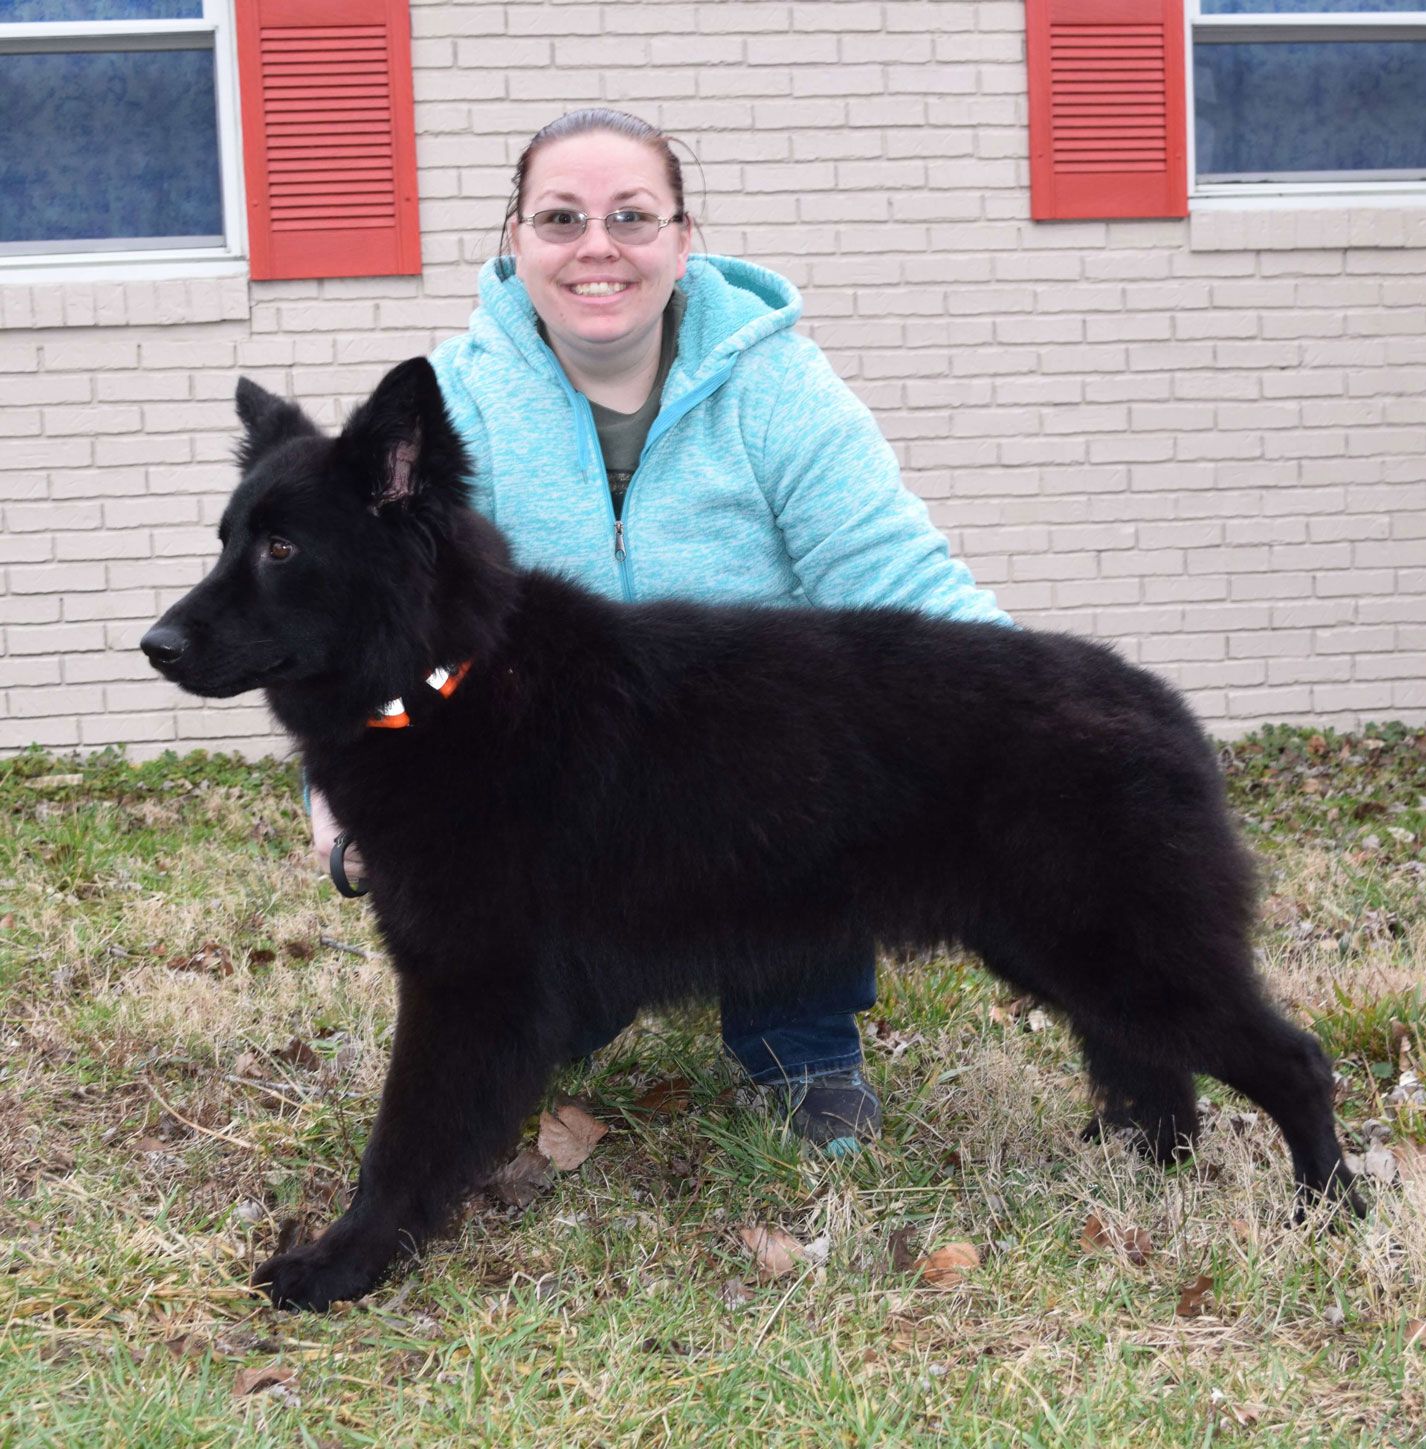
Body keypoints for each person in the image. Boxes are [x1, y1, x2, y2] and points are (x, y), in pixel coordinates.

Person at [310, 108, 1013, 1152]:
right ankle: (553, 1019)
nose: (598, 246)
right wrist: (339, 791)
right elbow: (368, 614)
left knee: (820, 749)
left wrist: (1038, 730)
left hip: (757, 783)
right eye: (562, 218)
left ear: (685, 239)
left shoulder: (778, 389)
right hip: (560, 786)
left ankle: (800, 1041)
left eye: (632, 217)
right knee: (516, 982)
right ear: (516, 239)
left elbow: (900, 578)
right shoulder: (451, 403)